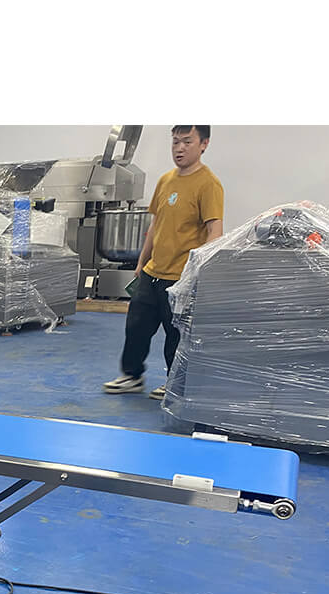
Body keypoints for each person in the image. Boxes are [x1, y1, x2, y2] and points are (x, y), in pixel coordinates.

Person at [103, 125, 224, 399]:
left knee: (175, 335)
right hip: (152, 272)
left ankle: (175, 383)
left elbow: (214, 232)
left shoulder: (209, 184)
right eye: (175, 142)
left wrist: (196, 274)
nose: (179, 148)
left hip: (180, 278)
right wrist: (141, 262)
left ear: (203, 144)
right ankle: (131, 376)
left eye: (187, 142)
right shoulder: (166, 180)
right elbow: (155, 225)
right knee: (136, 328)